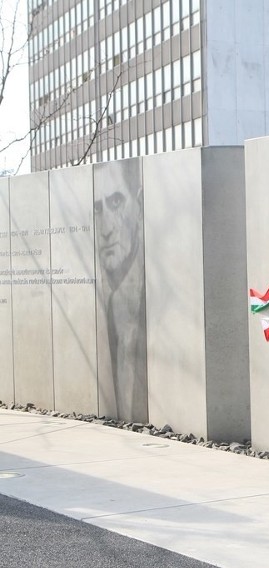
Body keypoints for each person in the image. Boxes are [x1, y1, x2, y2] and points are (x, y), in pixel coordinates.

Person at [94, 162, 147, 423]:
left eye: (116, 202)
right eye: (97, 209)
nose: (106, 229)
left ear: (139, 206)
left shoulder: (155, 302)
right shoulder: (103, 306)